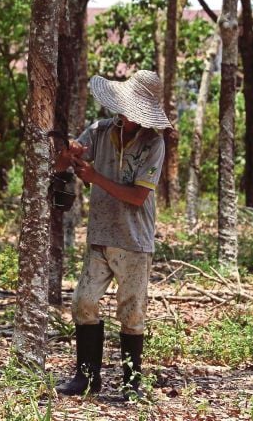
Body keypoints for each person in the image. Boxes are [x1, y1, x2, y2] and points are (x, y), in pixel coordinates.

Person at [53, 69, 172, 399]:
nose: (125, 114)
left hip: (134, 241)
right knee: (84, 302)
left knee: (132, 312)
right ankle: (86, 377)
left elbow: (138, 196)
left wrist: (94, 177)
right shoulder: (100, 131)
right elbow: (68, 161)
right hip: (101, 235)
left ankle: (132, 382)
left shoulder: (154, 144)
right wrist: (69, 154)